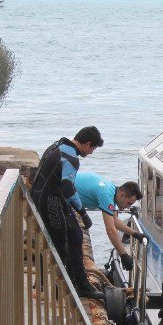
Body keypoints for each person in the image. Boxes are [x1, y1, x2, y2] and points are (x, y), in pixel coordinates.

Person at [30, 127, 104, 300]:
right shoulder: (71, 158)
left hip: (48, 197)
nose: (91, 153)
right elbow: (68, 187)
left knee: (76, 236)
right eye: (92, 149)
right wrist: (82, 212)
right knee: (59, 245)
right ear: (87, 144)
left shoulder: (58, 145)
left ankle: (82, 285)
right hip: (49, 202)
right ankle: (57, 292)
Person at [75, 172, 145, 271]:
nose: (128, 207)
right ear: (122, 195)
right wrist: (123, 255)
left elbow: (115, 221)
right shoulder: (106, 195)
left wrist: (136, 234)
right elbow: (111, 229)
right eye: (128, 203)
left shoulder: (112, 190)